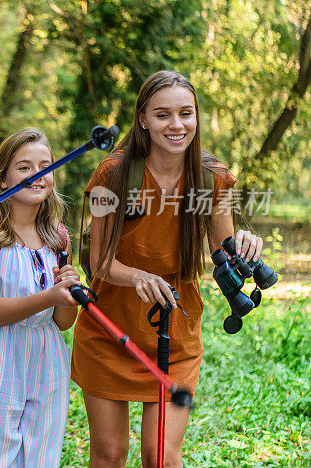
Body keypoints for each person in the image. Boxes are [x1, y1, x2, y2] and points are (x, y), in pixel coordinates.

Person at [71, 70, 265, 467]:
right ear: (142, 118)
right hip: (110, 329)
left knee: (160, 456)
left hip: (174, 331)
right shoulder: (113, 176)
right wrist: (139, 275)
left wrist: (246, 247)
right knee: (109, 454)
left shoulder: (212, 179)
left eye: (185, 113)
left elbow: (222, 252)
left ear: (196, 116)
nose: (176, 125)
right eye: (163, 115)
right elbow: (99, 261)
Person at [0, 128, 81, 467]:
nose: (37, 174)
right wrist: (49, 295)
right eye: (25, 166)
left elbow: (62, 323)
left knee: (41, 457)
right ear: (3, 179)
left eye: (45, 165)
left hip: (48, 357)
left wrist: (67, 294)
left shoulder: (58, 237)